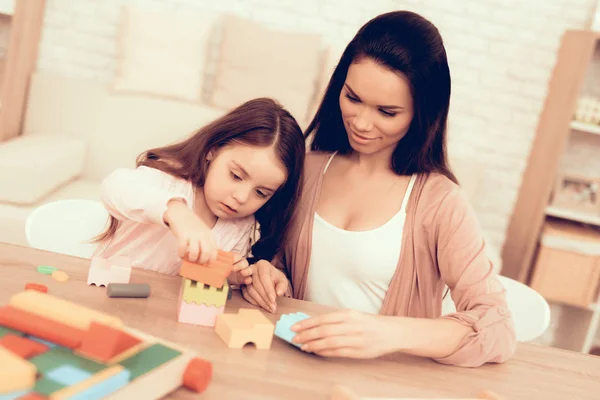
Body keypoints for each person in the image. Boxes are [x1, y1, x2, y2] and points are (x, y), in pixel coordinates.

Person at [240, 11, 516, 367]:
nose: (361, 123)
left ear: (422, 114)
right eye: (353, 98)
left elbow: (498, 327)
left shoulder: (439, 201)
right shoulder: (307, 168)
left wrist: (387, 332)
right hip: (293, 371)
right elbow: (276, 259)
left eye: (387, 112)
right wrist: (267, 274)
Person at [93, 98, 305, 286]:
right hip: (105, 294)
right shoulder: (168, 182)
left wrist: (230, 277)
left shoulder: (241, 227)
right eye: (236, 176)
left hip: (157, 316)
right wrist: (177, 213)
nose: (241, 198)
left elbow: (195, 284)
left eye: (261, 193)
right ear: (213, 149)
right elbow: (114, 187)